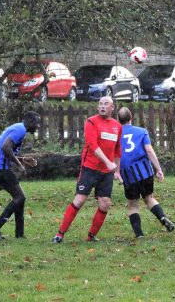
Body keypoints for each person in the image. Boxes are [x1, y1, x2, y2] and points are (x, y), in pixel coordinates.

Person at [52, 97, 122, 243]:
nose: (102, 107)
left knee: (105, 203)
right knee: (80, 200)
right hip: (89, 168)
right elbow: (92, 145)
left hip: (106, 172)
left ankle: (91, 237)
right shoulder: (91, 122)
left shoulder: (117, 126)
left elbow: (117, 150)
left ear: (112, 108)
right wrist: (108, 163)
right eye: (100, 104)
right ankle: (60, 234)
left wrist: (116, 170)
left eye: (106, 104)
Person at [117, 107, 174, 238]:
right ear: (131, 117)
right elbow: (149, 151)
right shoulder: (142, 131)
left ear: (118, 120)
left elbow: (115, 155)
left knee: (133, 205)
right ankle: (163, 218)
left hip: (128, 175)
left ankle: (139, 234)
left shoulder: (117, 135)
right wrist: (158, 169)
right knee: (149, 198)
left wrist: (117, 171)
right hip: (145, 172)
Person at [0, 111, 40, 240]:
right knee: (19, 197)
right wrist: (19, 166)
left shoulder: (18, 128)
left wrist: (22, 159)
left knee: (20, 197)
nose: (38, 126)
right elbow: (5, 148)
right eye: (37, 123)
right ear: (31, 122)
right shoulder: (20, 129)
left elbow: (6, 150)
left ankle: (19, 234)